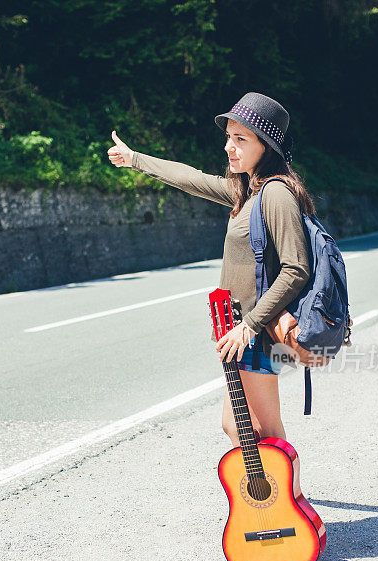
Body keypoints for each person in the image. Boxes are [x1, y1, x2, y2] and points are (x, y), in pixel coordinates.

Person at [107, 91, 316, 447]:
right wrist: (134, 159)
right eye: (228, 138)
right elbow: (191, 178)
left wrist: (249, 326)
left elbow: (296, 268)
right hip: (239, 331)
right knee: (237, 426)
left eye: (241, 139)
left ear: (265, 145)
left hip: (256, 333)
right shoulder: (247, 192)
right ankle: (273, 497)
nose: (229, 148)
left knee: (266, 430)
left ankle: (289, 500)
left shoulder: (277, 194)